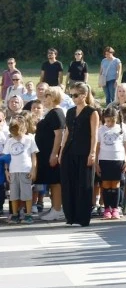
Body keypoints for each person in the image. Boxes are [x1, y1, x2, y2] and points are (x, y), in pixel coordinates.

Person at [62, 83, 100, 226]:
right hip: (69, 151)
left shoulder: (92, 112)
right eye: (71, 95)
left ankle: (82, 217)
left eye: (75, 95)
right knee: (69, 183)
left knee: (84, 185)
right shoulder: (70, 111)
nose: (73, 98)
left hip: (84, 152)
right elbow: (66, 132)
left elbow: (94, 134)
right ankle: (70, 216)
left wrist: (92, 152)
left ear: (84, 95)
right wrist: (61, 152)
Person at [34, 86, 68, 221]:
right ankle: (54, 207)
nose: (45, 97)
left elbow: (59, 135)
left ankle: (57, 209)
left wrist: (54, 154)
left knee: (55, 182)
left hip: (51, 153)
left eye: (48, 95)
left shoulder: (56, 113)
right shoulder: (51, 112)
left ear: (54, 97)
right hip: (45, 152)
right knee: (52, 181)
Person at [95, 105, 126, 220]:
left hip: (118, 160)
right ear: (104, 119)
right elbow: (97, 147)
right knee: (105, 185)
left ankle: (115, 208)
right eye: (107, 120)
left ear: (117, 118)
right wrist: (96, 163)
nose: (110, 123)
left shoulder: (123, 128)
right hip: (104, 161)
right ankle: (106, 209)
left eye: (112, 120)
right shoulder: (100, 130)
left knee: (115, 184)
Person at [3, 114, 38, 224]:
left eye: (18, 135)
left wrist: (33, 169)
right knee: (13, 195)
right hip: (13, 171)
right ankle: (15, 214)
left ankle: (28, 215)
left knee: (27, 194)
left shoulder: (29, 139)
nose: (17, 137)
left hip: (25, 170)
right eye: (14, 134)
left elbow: (33, 156)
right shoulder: (9, 141)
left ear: (24, 129)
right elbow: (7, 157)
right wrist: (6, 170)